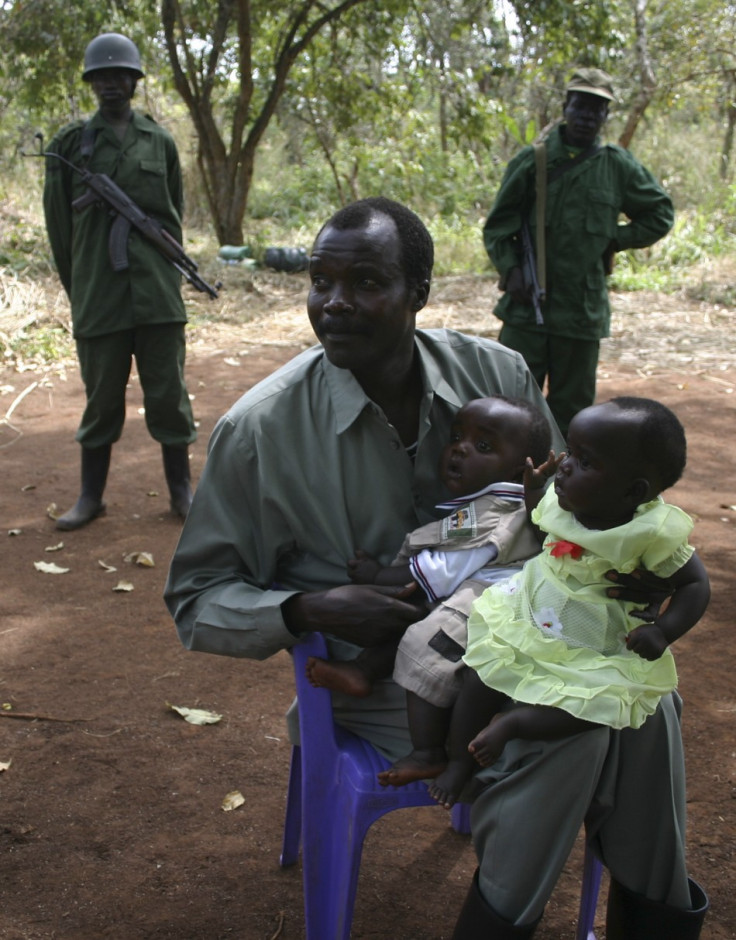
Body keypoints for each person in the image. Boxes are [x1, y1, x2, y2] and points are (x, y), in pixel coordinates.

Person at [164, 197, 709, 938]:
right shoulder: (262, 431)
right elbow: (197, 598)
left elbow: (564, 504)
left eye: (364, 282)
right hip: (392, 678)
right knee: (572, 734)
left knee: (649, 704)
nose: (334, 303)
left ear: (417, 292)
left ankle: (652, 918)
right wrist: (311, 610)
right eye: (321, 281)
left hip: (531, 630)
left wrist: (629, 561)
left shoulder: (496, 371)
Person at [425, 397, 710, 812]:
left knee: (594, 707)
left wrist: (664, 630)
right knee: (479, 678)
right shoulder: (565, 499)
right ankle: (457, 763)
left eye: (585, 461)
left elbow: (695, 585)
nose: (565, 465)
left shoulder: (652, 533)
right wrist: (534, 490)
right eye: (570, 452)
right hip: (528, 619)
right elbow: (543, 521)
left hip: (594, 645)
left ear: (633, 491)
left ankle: (516, 722)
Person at [305, 395, 549, 782]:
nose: (459, 449)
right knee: (414, 615)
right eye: (456, 437)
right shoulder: (485, 503)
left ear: (521, 470)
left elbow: (441, 573)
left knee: (425, 644)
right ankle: (364, 669)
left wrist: (376, 574)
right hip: (476, 595)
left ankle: (429, 750)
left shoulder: (506, 513)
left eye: (482, 446)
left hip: (498, 608)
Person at [43, 32, 196, 530]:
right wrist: (81, 289)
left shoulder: (161, 140)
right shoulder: (70, 146)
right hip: (100, 298)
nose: (111, 83)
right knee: (101, 401)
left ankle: (181, 493)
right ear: (92, 84)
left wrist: (169, 273)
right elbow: (60, 232)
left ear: (134, 81)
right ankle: (91, 498)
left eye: (119, 75)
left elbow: (171, 219)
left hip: (157, 296)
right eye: (101, 76)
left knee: (169, 396)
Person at [483, 67, 674, 435]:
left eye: (597, 109)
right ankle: (505, 487)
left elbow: (660, 213)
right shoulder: (534, 161)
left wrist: (614, 239)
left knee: (572, 413)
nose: (587, 115)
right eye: (581, 105)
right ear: (566, 106)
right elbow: (498, 224)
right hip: (527, 311)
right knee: (507, 406)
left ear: (606, 116)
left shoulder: (617, 166)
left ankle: (560, 489)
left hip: (581, 312)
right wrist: (512, 269)